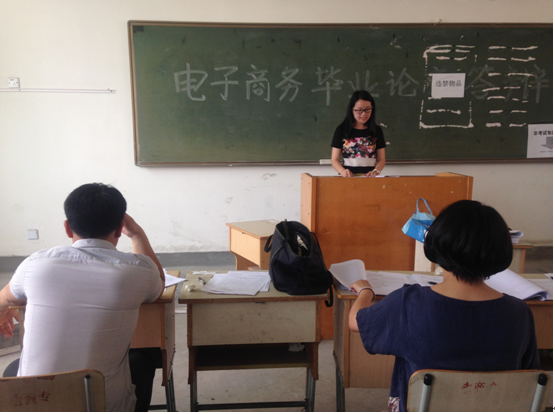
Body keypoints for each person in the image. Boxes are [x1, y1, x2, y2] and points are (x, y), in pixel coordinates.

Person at [348, 200, 539, 412]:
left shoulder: (408, 303)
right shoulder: (519, 313)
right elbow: (528, 375)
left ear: (437, 243)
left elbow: (356, 321)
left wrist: (366, 291)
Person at [0, 183, 164, 411]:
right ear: (120, 228)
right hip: (101, 404)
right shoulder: (138, 271)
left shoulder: (36, 264)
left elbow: (5, 298)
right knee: (145, 356)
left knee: (15, 367)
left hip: (31, 402)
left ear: (68, 228)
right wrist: (137, 234)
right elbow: (159, 285)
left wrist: (4, 309)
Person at [331, 90, 386, 177]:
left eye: (367, 110)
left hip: (370, 180)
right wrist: (342, 171)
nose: (364, 114)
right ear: (352, 110)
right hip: (348, 179)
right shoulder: (341, 130)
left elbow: (381, 159)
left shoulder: (377, 130)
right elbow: (335, 160)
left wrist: (376, 170)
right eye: (359, 110)